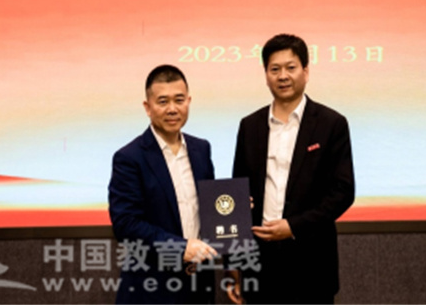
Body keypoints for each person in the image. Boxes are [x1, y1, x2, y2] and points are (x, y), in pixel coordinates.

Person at [232, 34, 355, 304]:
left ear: (306, 72)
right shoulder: (250, 126)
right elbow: (238, 196)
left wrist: (293, 226)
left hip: (311, 261)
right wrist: (235, 265)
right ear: (266, 75)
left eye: (291, 67)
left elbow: (343, 192)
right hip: (259, 261)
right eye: (274, 69)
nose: (283, 76)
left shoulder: (331, 124)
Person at [108, 65, 220, 304]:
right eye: (163, 101)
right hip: (152, 287)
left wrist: (231, 207)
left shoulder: (201, 149)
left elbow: (208, 208)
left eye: (179, 100)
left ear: (188, 101)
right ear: (147, 107)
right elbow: (126, 224)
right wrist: (180, 248)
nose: (172, 109)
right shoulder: (129, 158)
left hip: (200, 285)